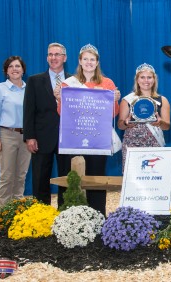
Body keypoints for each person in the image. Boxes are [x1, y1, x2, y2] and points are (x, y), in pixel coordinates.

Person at [56, 44, 121, 215]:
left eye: (92, 59)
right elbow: (62, 113)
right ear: (80, 61)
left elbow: (113, 114)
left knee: (97, 176)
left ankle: (98, 214)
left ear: (97, 62)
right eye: (85, 59)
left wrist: (114, 100)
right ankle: (74, 214)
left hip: (98, 137)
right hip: (75, 137)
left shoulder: (107, 83)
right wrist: (59, 99)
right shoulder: (68, 83)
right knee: (74, 176)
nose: (89, 62)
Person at [23, 43, 72, 206]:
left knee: (67, 178)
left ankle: (65, 214)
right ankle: (41, 213)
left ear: (64, 58)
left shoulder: (75, 81)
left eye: (57, 54)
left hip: (68, 138)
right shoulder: (34, 81)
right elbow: (28, 111)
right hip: (42, 137)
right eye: (50, 54)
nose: (53, 58)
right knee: (40, 177)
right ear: (46, 57)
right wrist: (29, 137)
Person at [0, 56, 32, 206]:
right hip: (6, 135)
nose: (14, 69)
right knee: (7, 176)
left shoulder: (29, 89)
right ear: (6, 71)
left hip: (26, 136)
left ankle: (16, 209)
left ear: (23, 70)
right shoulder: (0, 89)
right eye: (11, 66)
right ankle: (2, 212)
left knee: (21, 175)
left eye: (17, 66)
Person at [118, 63, 170, 171]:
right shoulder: (127, 100)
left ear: (154, 80)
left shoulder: (163, 100)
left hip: (154, 143)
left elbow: (167, 126)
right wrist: (126, 123)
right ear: (137, 80)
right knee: (132, 179)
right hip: (131, 144)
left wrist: (160, 122)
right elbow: (120, 125)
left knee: (154, 177)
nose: (146, 81)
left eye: (149, 77)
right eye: (142, 77)